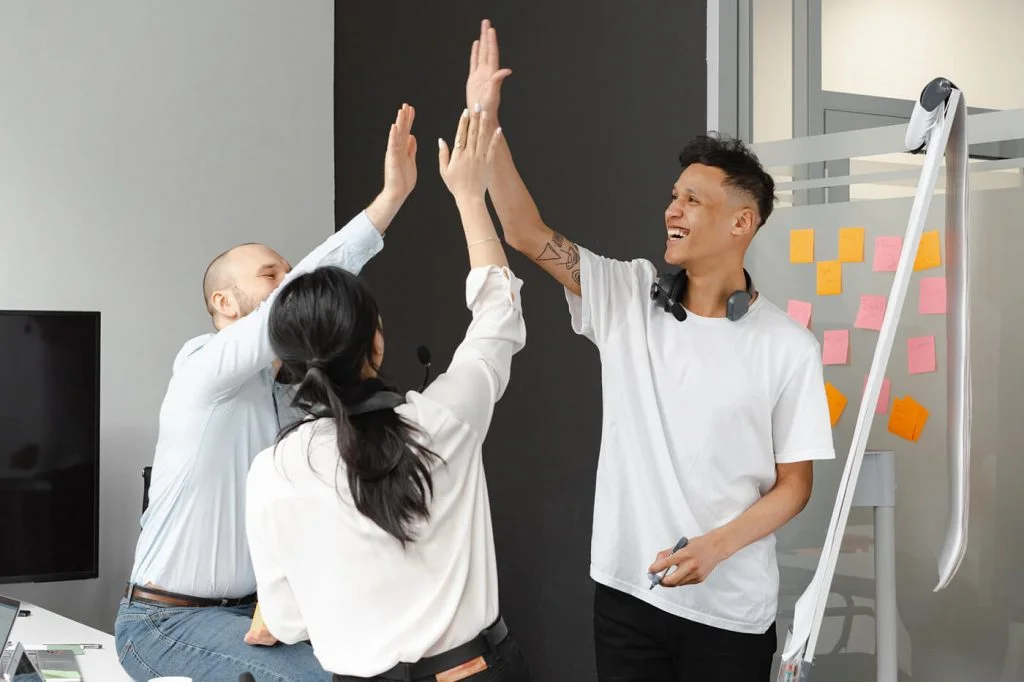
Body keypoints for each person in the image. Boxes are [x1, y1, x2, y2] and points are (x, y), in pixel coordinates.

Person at [464, 20, 836, 681]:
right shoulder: (628, 297)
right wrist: (486, 119)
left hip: (731, 612)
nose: (674, 208)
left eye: (694, 199)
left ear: (741, 222)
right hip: (630, 596)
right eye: (673, 195)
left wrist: (715, 549)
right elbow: (523, 231)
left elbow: (794, 487)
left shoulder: (788, 346)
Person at [114, 104, 420, 682]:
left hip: (253, 617)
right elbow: (299, 300)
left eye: (286, 272)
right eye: (270, 275)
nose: (287, 284)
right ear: (224, 304)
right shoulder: (200, 369)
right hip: (163, 625)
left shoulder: (292, 392)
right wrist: (387, 204)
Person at [244, 106, 531, 682]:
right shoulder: (442, 418)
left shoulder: (273, 472)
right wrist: (470, 199)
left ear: (288, 366)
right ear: (375, 339)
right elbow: (498, 316)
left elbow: (286, 619)